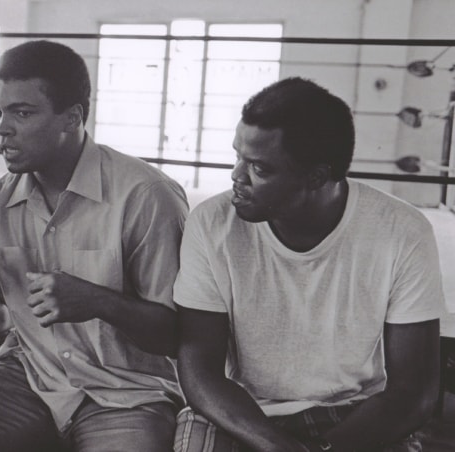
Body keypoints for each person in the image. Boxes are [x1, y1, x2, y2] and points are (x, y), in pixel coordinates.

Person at [0, 39, 188, 452]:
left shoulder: (146, 196)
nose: (2, 128)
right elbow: (1, 315)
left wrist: (100, 301)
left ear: (71, 117)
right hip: (27, 375)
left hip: (126, 394)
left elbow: (180, 337)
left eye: (22, 113)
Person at [173, 77, 445, 452]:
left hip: (356, 411)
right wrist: (277, 446)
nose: (236, 176)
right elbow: (199, 371)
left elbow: (415, 391)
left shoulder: (402, 231)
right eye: (238, 156)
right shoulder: (211, 223)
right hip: (241, 411)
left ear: (316, 177)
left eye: (259, 168)